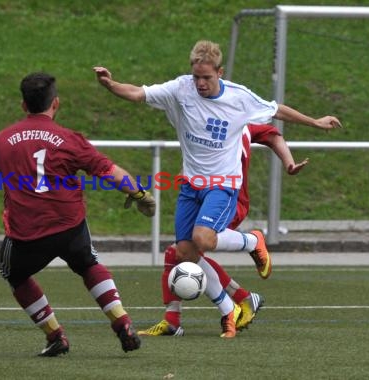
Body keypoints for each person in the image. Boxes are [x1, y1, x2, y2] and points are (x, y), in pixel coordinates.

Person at [94, 39, 342, 337]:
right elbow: (137, 93)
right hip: (190, 185)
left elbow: (277, 112)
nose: (200, 83)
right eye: (196, 76)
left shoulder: (239, 98)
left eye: (207, 78)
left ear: (220, 73)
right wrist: (110, 85)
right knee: (184, 251)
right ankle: (229, 307)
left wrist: (315, 122)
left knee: (203, 239)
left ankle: (252, 242)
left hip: (223, 185)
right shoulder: (180, 89)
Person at [0, 72, 156, 356]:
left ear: (23, 105)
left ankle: (55, 335)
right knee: (88, 263)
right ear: (55, 103)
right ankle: (122, 322)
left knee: (14, 273)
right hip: (69, 225)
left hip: (26, 234)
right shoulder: (70, 139)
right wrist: (139, 194)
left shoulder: (1, 140)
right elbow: (110, 172)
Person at [139, 123, 309, 338]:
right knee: (180, 253)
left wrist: (292, 159)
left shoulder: (241, 120)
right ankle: (240, 300)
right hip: (200, 196)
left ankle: (250, 249)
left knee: (192, 246)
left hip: (230, 200)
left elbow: (275, 129)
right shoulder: (201, 117)